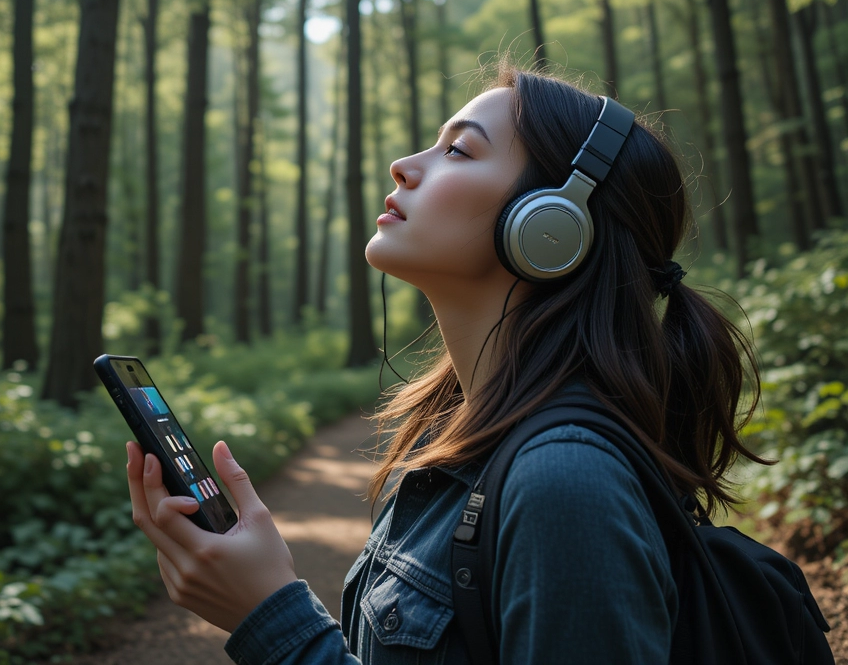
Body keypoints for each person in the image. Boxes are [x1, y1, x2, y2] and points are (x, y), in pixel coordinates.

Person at [125, 64, 763, 664]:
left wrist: (270, 616)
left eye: (458, 150)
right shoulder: (462, 436)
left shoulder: (564, 483)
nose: (403, 166)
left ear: (552, 225)